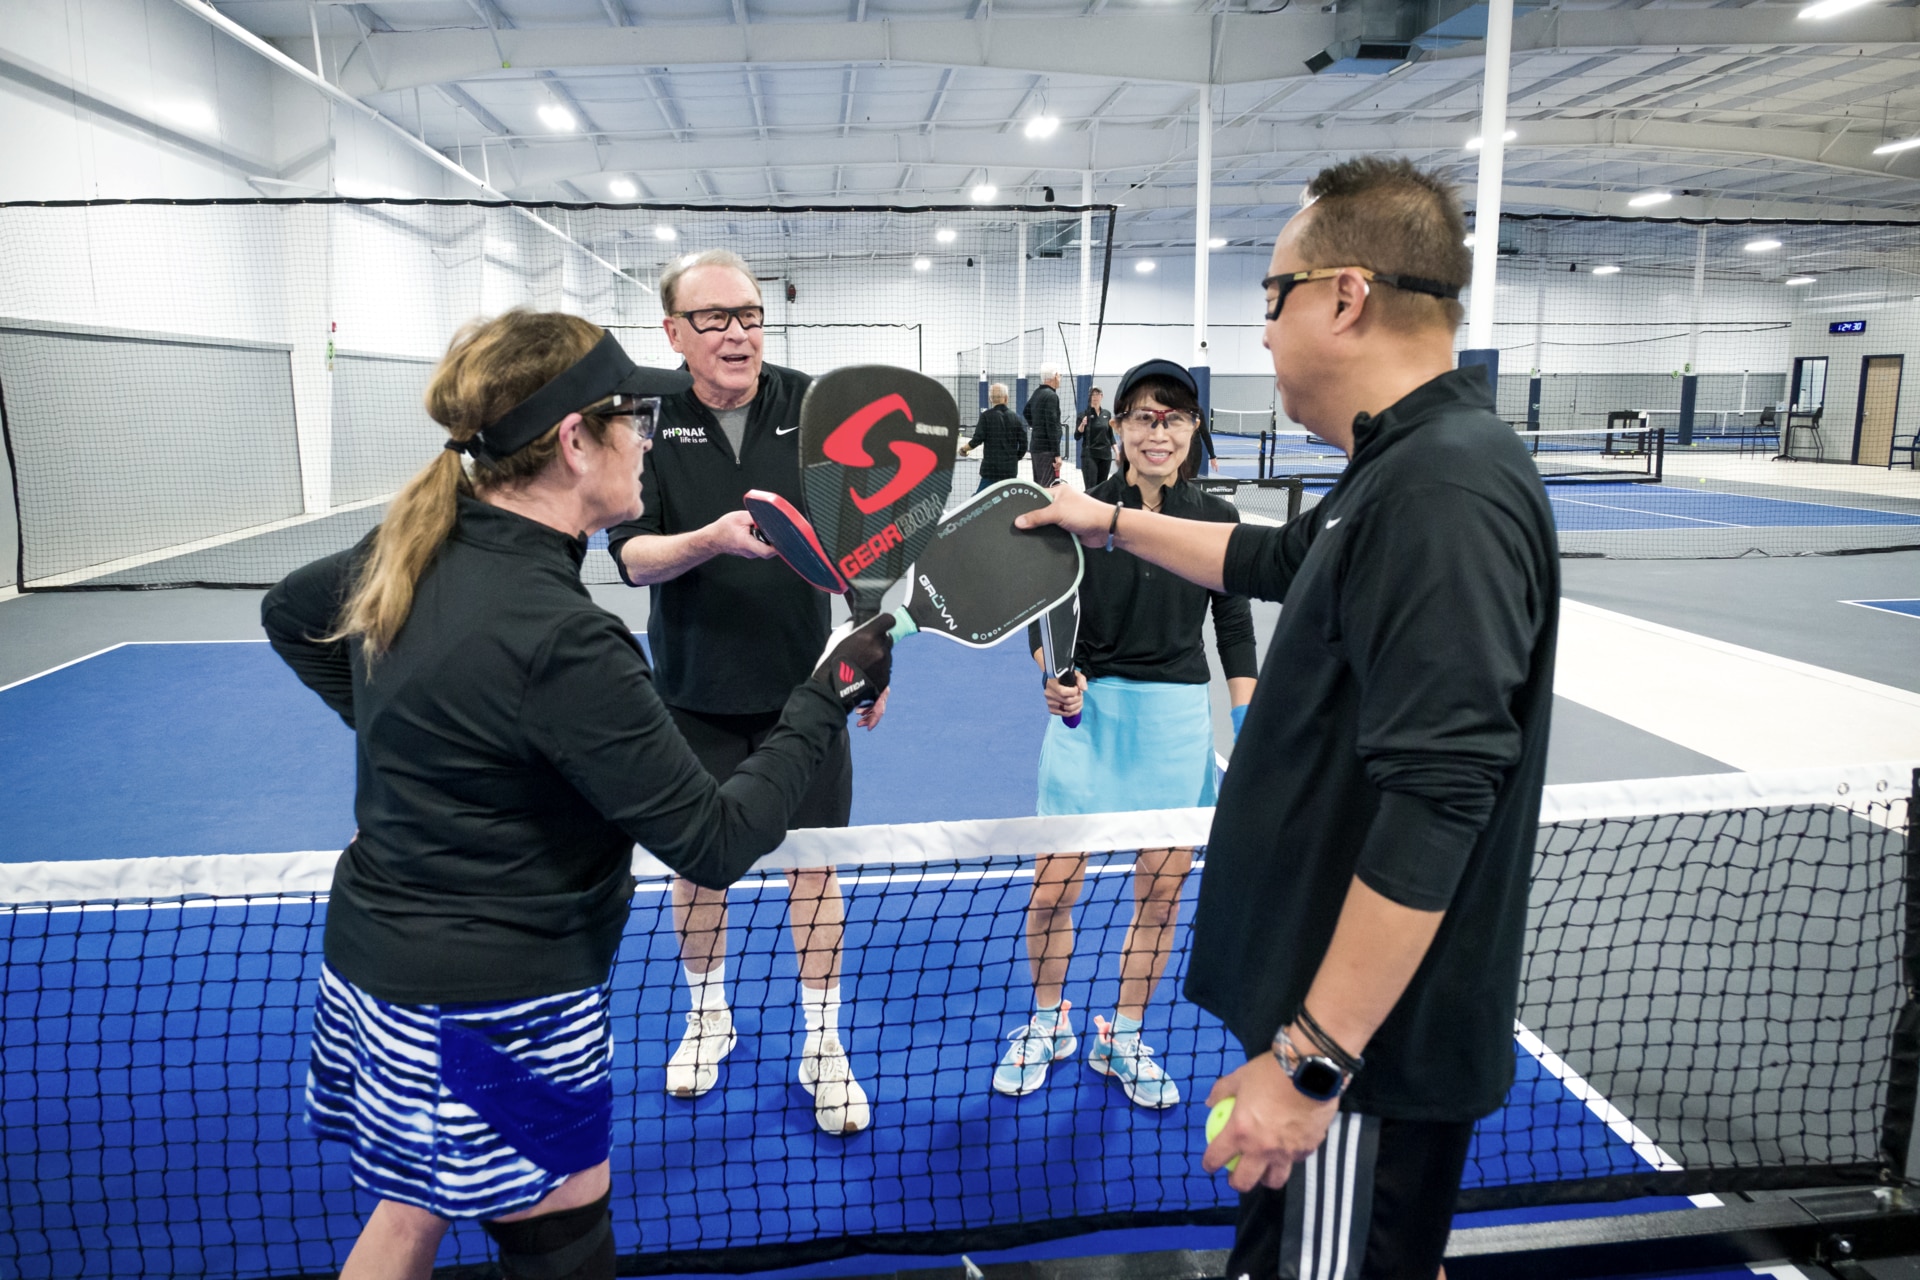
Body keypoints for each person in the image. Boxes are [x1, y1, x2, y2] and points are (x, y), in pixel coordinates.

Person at [262, 310, 895, 1280]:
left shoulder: (421, 544)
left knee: (410, 1218)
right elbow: (716, 843)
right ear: (572, 441)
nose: (648, 437)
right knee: (562, 1253)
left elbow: (292, 609)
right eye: (633, 417)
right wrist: (825, 693)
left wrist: (423, 748)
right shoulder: (570, 640)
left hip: (376, 974)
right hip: (505, 1007)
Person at [1017, 156, 1558, 1279]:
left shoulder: (1443, 491)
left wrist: (1311, 1061)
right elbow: (1264, 557)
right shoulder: (1390, 469)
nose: (1261, 332)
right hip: (1325, 1023)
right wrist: (1102, 520)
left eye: (1271, 297)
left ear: (1345, 296)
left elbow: (1441, 796)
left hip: (1362, 1063)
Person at [605, 249, 875, 1135]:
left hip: (809, 695)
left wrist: (873, 643)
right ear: (673, 333)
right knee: (700, 871)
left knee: (815, 871)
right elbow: (632, 559)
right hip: (692, 693)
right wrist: (711, 539)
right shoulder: (645, 421)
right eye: (714, 318)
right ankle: (709, 1017)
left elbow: (866, 541)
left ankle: (824, 1045)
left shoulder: (815, 407)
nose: (737, 334)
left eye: (750, 314)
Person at [993, 358, 1256, 1111]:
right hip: (1090, 720)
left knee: (1162, 897)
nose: (1158, 432)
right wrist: (1054, 673)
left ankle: (1125, 1036)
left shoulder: (1215, 518)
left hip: (1175, 725)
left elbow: (1233, 628)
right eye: (1143, 416)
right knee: (1050, 894)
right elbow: (1045, 622)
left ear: (1194, 429)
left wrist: (1245, 724)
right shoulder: (1076, 513)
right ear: (1118, 428)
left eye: (1173, 418)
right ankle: (1049, 1023)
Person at [960, 381, 1028, 492]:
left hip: (990, 470)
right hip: (1009, 470)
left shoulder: (986, 417)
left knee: (980, 500)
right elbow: (1024, 444)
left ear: (990, 399)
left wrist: (964, 449)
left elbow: (977, 439)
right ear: (1006, 398)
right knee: (1007, 500)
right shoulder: (1016, 418)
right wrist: (1015, 458)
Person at [1025, 365, 1065, 487]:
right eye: (1059, 375)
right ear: (1054, 376)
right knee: (1048, 488)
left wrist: (1037, 426)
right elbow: (1051, 426)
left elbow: (1026, 412)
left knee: (1039, 486)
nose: (1060, 378)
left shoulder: (1037, 393)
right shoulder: (1051, 396)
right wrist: (1057, 454)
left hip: (1036, 447)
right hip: (1047, 450)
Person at [1075, 386, 1113, 489]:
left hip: (1105, 456)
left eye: (1097, 394)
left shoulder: (1107, 414)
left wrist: (1117, 452)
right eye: (1093, 394)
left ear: (1102, 396)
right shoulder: (1083, 414)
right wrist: (1082, 424)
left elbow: (1110, 435)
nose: (1095, 396)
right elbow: (1077, 436)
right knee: (1091, 487)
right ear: (1089, 397)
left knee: (1102, 487)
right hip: (1090, 456)